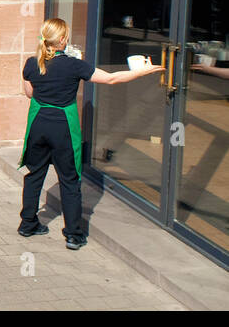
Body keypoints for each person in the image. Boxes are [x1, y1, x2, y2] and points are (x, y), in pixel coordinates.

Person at [19, 17, 164, 249]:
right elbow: (111, 79)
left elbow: (29, 93)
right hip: (63, 128)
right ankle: (74, 235)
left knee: (35, 174)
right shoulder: (75, 65)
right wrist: (142, 72)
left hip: (38, 125)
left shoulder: (31, 63)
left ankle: (27, 224)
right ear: (64, 40)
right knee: (69, 180)